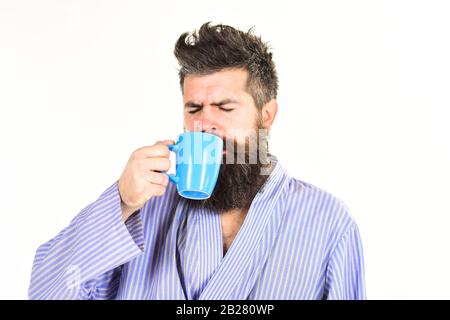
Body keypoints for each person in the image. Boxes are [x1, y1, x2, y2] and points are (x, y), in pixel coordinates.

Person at [28, 22, 366, 300]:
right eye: (194, 109)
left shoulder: (329, 224)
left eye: (224, 107)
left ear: (266, 115)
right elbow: (44, 292)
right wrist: (121, 202)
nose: (205, 123)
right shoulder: (142, 209)